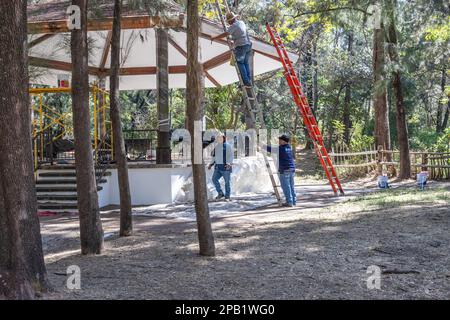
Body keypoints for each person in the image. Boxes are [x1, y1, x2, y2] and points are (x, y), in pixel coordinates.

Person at [211, 12, 253, 87]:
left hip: (241, 46)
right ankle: (248, 81)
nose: (229, 23)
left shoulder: (233, 26)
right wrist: (233, 39)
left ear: (231, 20)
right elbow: (241, 33)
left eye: (229, 21)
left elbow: (225, 34)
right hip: (248, 45)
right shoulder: (241, 22)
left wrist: (214, 37)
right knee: (246, 63)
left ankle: (246, 82)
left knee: (240, 63)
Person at [265, 135, 297, 207]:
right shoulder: (289, 148)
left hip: (285, 169)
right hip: (291, 169)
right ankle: (293, 201)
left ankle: (289, 202)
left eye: (280, 140)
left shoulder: (281, 149)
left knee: (286, 187)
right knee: (291, 186)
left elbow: (272, 149)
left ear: (283, 141)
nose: (279, 141)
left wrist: (263, 146)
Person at [208, 135, 234, 201]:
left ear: (224, 139)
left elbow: (231, 156)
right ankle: (220, 193)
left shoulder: (228, 146)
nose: (219, 139)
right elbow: (214, 156)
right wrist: (211, 164)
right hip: (218, 168)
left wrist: (229, 163)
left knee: (227, 182)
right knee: (214, 179)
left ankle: (227, 196)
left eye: (220, 138)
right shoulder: (217, 147)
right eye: (218, 138)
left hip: (226, 168)